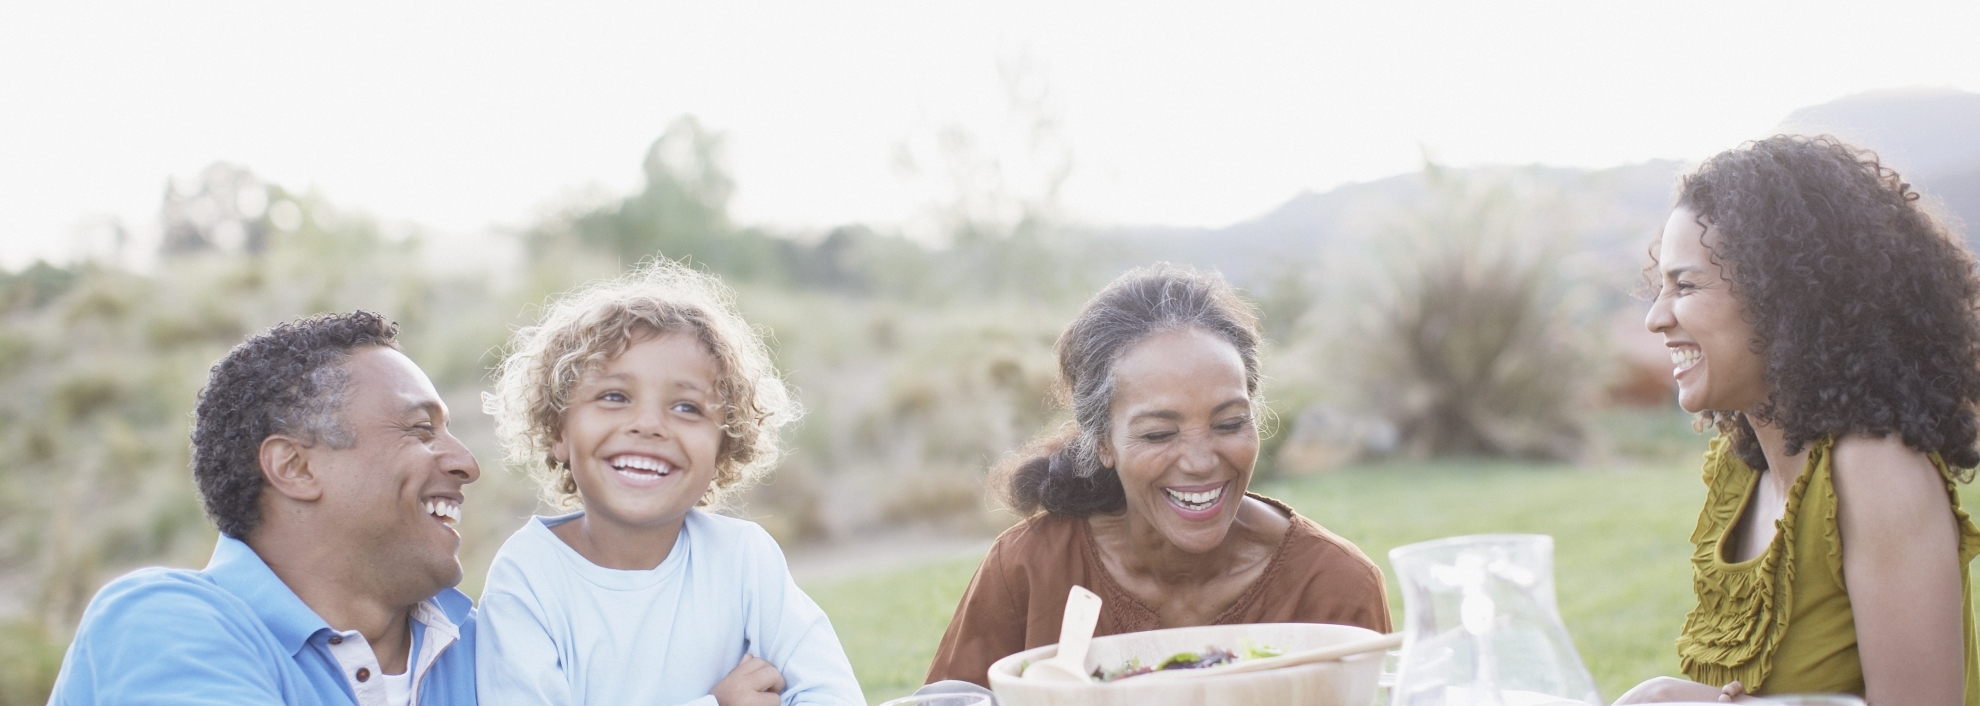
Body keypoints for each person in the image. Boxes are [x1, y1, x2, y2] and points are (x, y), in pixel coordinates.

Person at [1619, 135, 1980, 705]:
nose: (1655, 318)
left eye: (1684, 286)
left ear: (1781, 298)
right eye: (1659, 287)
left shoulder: (1872, 471)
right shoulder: (1741, 468)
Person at [922, 264, 1391, 689]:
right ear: (1103, 442)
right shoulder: (1031, 570)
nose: (1201, 460)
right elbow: (951, 701)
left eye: (1228, 424)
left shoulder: (1334, 588)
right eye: (1160, 433)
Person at [476, 260, 862, 706]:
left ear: (724, 447)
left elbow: (832, 692)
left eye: (686, 408)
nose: (649, 424)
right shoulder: (527, 576)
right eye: (614, 397)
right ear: (558, 430)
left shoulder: (742, 559)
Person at [47, 311, 481, 705]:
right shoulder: (162, 624)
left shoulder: (494, 642)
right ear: (295, 467)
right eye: (422, 430)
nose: (467, 464)